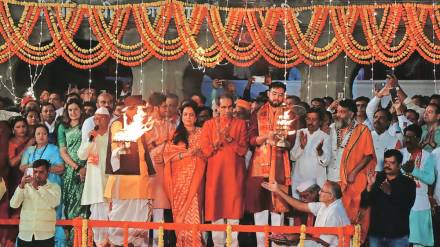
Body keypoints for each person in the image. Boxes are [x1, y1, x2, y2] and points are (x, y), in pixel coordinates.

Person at [246, 82, 294, 246]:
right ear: (268, 94)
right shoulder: (257, 113)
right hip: (259, 167)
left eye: (281, 94)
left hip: (280, 166)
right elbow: (251, 139)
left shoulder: (289, 113)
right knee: (259, 210)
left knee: (277, 211)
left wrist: (282, 142)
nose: (278, 97)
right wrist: (266, 136)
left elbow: (291, 143)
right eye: (275, 93)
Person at [105, 95, 154, 247]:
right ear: (129, 109)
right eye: (137, 109)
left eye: (141, 109)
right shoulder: (117, 124)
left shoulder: (141, 124)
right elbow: (118, 151)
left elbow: (144, 153)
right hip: (124, 182)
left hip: (141, 181)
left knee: (140, 225)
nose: (141, 112)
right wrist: (131, 137)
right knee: (119, 225)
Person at [200, 94, 248, 247]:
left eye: (229, 107)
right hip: (215, 177)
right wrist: (215, 143)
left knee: (233, 216)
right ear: (217, 108)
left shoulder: (240, 124)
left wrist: (229, 140)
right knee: (216, 214)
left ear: (233, 108)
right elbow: (205, 151)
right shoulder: (208, 125)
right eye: (223, 107)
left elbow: (243, 151)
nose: (226, 110)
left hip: (234, 177)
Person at [327, 99, 376, 241]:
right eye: (337, 111)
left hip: (350, 181)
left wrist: (354, 172)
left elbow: (368, 155)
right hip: (331, 178)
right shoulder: (331, 128)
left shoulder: (362, 130)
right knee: (330, 217)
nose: (338, 115)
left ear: (351, 114)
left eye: (342, 112)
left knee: (349, 217)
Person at [163, 102, 206, 247]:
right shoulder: (175, 134)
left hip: (195, 180)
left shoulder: (202, 133)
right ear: (181, 116)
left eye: (191, 115)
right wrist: (187, 154)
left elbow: (207, 154)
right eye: (185, 114)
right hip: (178, 182)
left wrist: (199, 153)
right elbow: (168, 157)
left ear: (196, 117)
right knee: (180, 216)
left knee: (193, 213)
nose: (188, 117)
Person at [261, 180, 350, 247]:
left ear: (331, 196)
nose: (319, 193)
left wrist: (296, 238)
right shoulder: (326, 205)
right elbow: (300, 205)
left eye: (322, 191)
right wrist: (277, 190)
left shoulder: (334, 212)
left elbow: (325, 243)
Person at [20, 124, 65, 246]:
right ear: (34, 136)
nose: (41, 136)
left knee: (53, 215)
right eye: (38, 133)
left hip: (51, 188)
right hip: (32, 189)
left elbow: (61, 168)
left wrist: (46, 169)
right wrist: (34, 167)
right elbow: (22, 167)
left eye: (44, 133)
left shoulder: (54, 149)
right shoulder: (29, 150)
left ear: (48, 136)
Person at [361, 149, 416, 246]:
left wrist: (390, 192)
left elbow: (406, 207)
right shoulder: (377, 178)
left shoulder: (408, 183)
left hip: (398, 235)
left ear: (399, 165)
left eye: (392, 163)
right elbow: (364, 203)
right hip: (376, 234)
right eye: (386, 162)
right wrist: (369, 186)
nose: (387, 165)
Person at [77, 107, 111, 247]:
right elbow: (81, 155)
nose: (97, 121)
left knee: (112, 218)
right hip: (95, 185)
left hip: (110, 183)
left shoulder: (113, 135)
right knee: (97, 219)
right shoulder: (91, 136)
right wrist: (91, 140)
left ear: (108, 120)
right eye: (95, 118)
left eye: (101, 118)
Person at [144, 92, 174, 246]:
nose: (167, 109)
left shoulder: (170, 125)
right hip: (149, 170)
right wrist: (158, 143)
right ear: (156, 107)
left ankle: (159, 243)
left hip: (164, 169)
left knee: (160, 209)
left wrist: (162, 145)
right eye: (164, 106)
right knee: (145, 207)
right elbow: (145, 146)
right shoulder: (146, 124)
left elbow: (172, 144)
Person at [10, 159, 61, 247]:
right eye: (35, 171)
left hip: (45, 237)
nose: (37, 175)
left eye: (41, 172)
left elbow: (54, 202)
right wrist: (21, 186)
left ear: (48, 171)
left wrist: (37, 187)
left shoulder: (54, 187)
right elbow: (13, 204)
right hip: (25, 236)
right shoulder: (25, 187)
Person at [57, 98, 88, 245]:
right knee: (71, 203)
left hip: (88, 167)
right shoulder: (63, 127)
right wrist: (77, 167)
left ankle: (83, 240)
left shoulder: (87, 125)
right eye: (70, 110)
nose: (73, 112)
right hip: (71, 169)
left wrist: (85, 167)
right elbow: (63, 152)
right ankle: (72, 241)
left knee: (84, 203)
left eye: (76, 109)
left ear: (81, 110)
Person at [400, 124, 435, 247]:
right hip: (401, 201)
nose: (408, 139)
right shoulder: (399, 154)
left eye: (411, 137)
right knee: (400, 238)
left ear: (419, 138)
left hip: (420, 202)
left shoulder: (427, 156)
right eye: (406, 136)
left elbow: (430, 179)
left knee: (419, 242)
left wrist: (414, 170)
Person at [290, 108, 331, 194]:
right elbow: (292, 157)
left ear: (320, 122)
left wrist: (320, 152)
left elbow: (325, 162)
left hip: (316, 181)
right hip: (299, 179)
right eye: (308, 119)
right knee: (297, 204)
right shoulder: (300, 133)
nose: (310, 122)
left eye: (314, 119)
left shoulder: (325, 137)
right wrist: (301, 146)